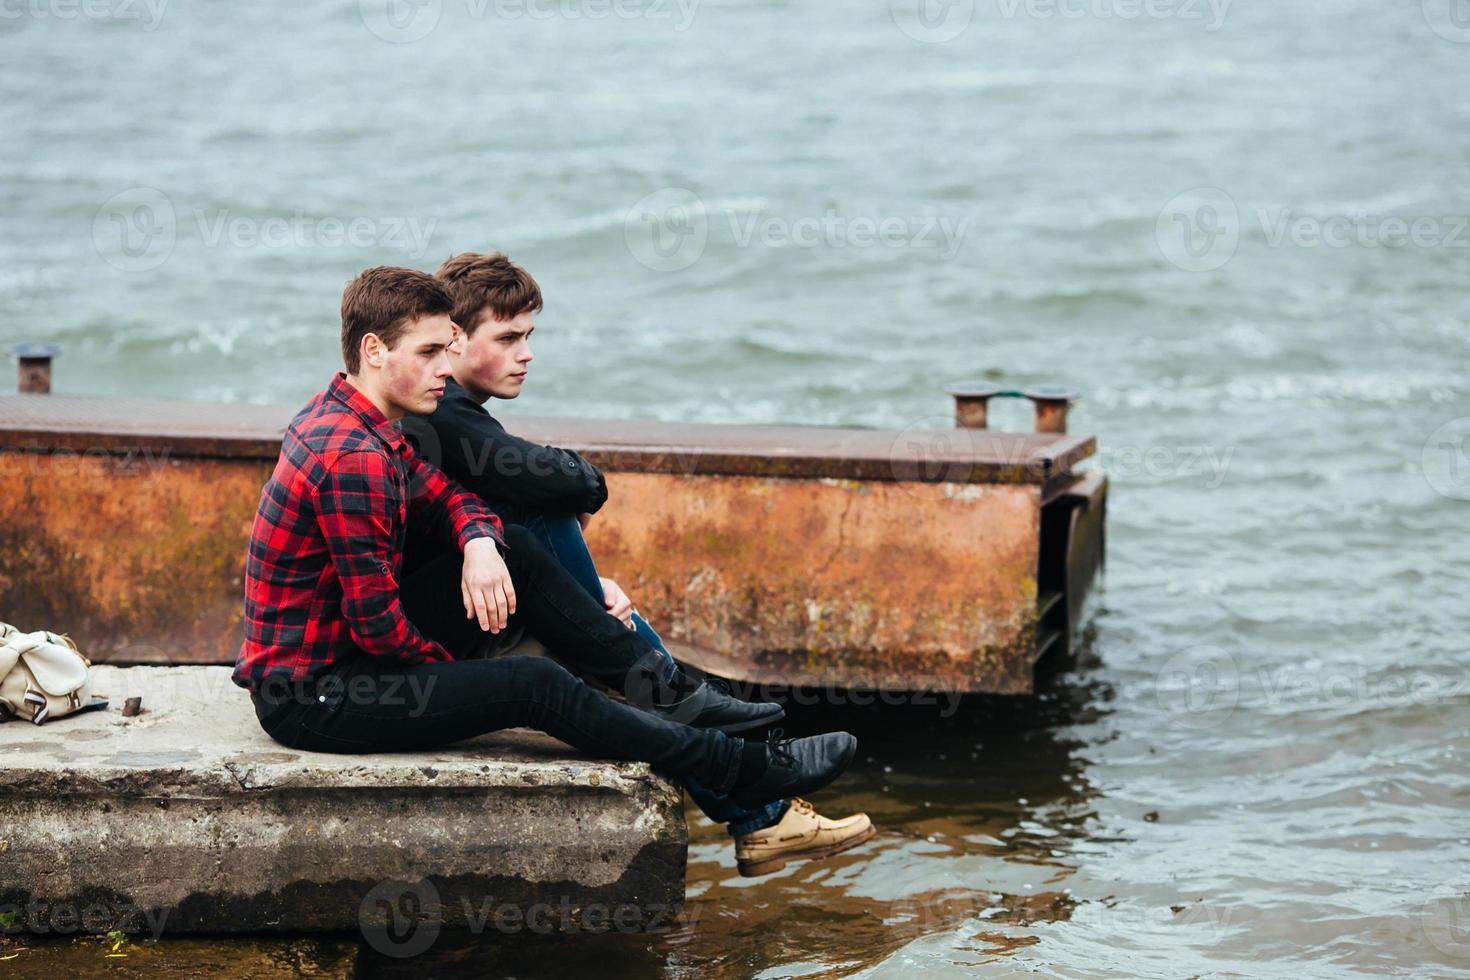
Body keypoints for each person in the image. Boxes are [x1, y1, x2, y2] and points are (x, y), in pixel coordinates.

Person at [232, 265, 858, 819]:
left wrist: (479, 543)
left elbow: (451, 498)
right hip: (317, 696)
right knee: (531, 683)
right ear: (373, 349)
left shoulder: (357, 416)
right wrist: (468, 684)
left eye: (444, 352)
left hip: (346, 659)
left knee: (515, 550)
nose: (444, 371)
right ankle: (738, 768)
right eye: (428, 353)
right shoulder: (351, 457)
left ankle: (671, 694)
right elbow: (378, 628)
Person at [417, 252, 876, 877]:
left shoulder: (451, 414)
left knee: (597, 608)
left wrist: (574, 586)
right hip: (445, 641)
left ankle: (762, 810)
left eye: (530, 337)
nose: (527, 354)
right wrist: (578, 533)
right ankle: (761, 812)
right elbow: (561, 484)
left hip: (472, 605)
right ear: (454, 338)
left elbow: (505, 503)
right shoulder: (444, 417)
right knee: (604, 625)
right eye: (509, 338)